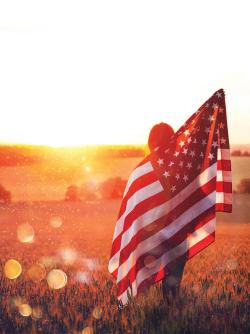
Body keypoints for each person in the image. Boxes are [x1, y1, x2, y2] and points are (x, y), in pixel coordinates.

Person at [148, 122, 186, 303]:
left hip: (154, 232)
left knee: (162, 273)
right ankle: (171, 304)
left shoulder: (144, 170)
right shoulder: (182, 167)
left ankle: (165, 306)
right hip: (177, 231)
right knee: (173, 276)